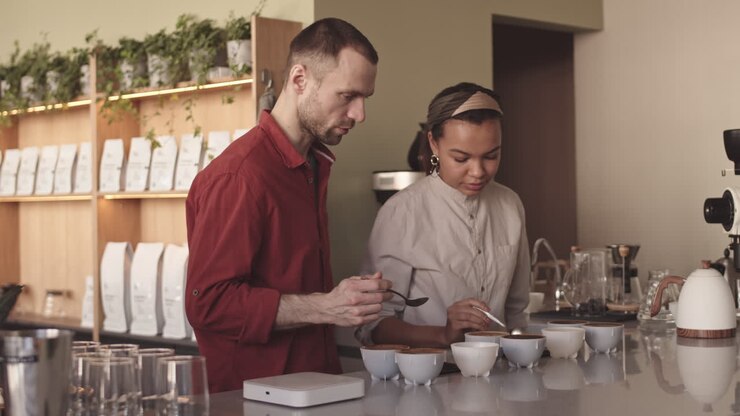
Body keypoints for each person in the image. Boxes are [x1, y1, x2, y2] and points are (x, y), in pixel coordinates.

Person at [185, 17, 392, 393]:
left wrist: (342, 301)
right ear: (300, 80)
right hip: (254, 400)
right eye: (347, 96)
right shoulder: (239, 176)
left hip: (317, 389)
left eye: (365, 98)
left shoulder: (314, 165)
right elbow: (208, 304)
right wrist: (326, 306)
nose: (360, 114)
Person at [357, 82, 530, 347]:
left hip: (500, 374)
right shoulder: (402, 212)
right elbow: (374, 323)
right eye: (461, 158)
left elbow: (516, 311)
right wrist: (442, 335)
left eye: (491, 156)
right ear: (434, 144)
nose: (478, 172)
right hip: (428, 378)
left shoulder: (510, 205)